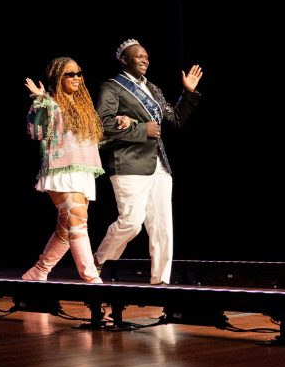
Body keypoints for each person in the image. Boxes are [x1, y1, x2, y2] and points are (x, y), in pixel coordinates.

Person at [94, 39, 203, 285]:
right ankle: (99, 261)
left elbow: (174, 119)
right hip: (128, 161)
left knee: (163, 226)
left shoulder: (152, 89)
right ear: (124, 59)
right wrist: (143, 129)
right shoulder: (111, 88)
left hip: (159, 164)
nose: (145, 60)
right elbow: (103, 125)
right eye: (138, 56)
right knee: (131, 223)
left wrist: (188, 93)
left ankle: (160, 281)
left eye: (147, 57)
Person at [22, 57, 106, 283]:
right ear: (58, 78)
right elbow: (36, 133)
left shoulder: (83, 106)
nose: (77, 78)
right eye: (70, 74)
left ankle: (38, 272)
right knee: (78, 220)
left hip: (82, 170)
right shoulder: (49, 103)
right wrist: (40, 101)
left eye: (79, 73)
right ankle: (91, 279)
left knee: (67, 228)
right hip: (61, 169)